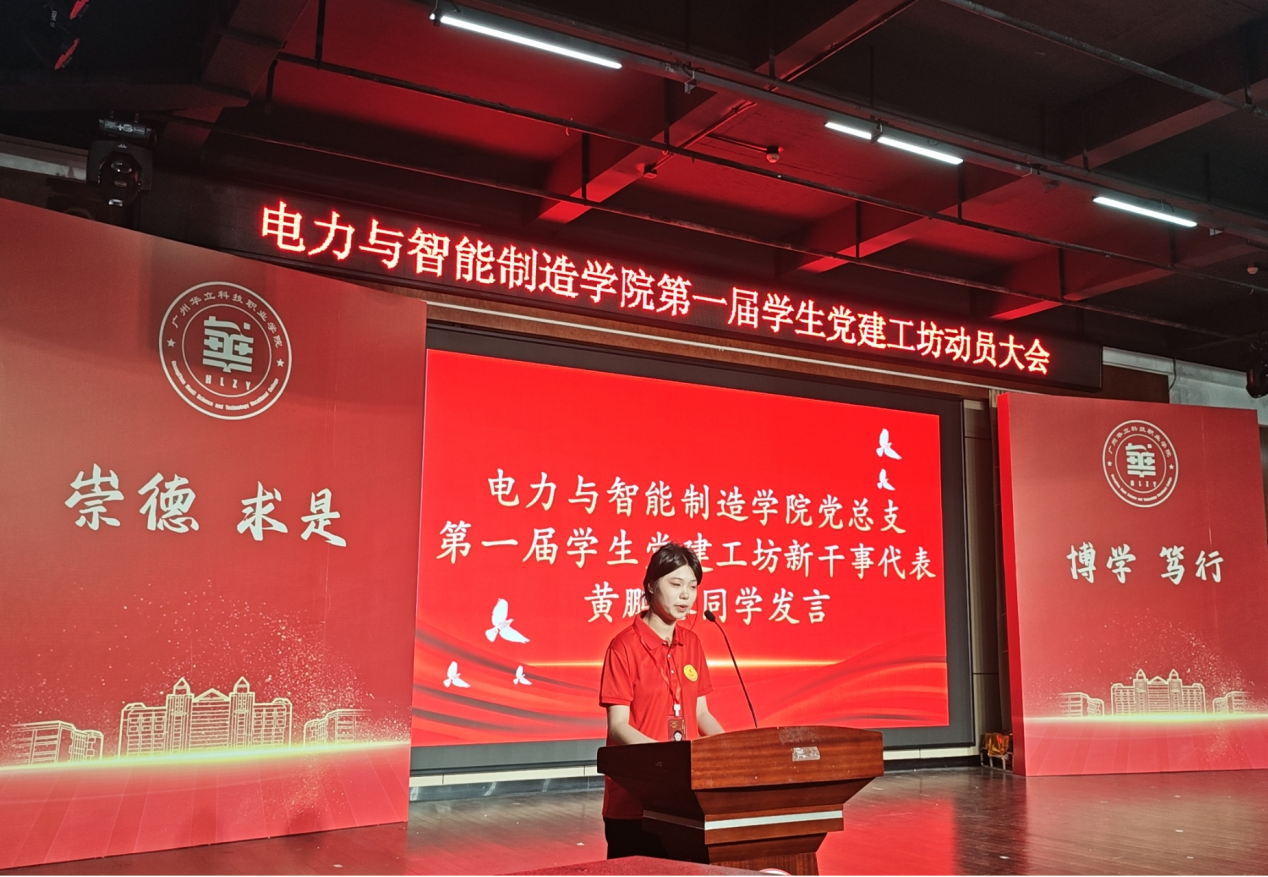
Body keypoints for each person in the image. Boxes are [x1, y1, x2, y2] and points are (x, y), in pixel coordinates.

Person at [598, 541, 725, 859]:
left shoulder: (692, 643)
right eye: (676, 584)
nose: (686, 596)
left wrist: (731, 749)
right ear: (652, 585)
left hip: (684, 800)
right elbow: (618, 726)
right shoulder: (623, 647)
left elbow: (701, 714)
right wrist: (664, 760)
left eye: (692, 587)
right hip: (634, 803)